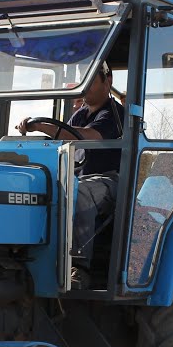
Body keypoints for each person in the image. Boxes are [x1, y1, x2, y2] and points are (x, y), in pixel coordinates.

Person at [16, 62, 125, 288]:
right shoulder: (80, 114)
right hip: (78, 177)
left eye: (91, 81)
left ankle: (79, 267)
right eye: (82, 82)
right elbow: (63, 140)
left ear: (108, 81)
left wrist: (42, 126)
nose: (84, 88)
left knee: (79, 193)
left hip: (111, 179)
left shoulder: (114, 114)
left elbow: (89, 137)